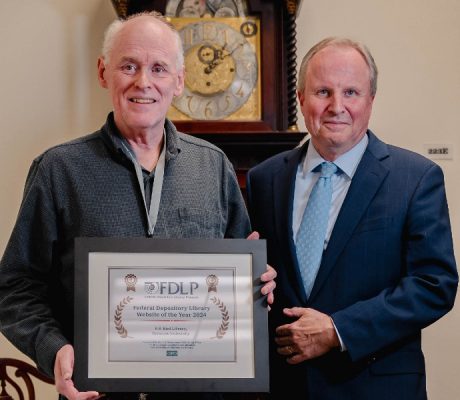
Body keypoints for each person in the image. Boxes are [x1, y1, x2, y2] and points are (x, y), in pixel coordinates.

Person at [0, 12, 276, 400]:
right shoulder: (58, 170)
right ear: (103, 72)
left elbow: (239, 280)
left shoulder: (213, 167)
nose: (143, 82)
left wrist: (256, 283)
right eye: (128, 65)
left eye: (159, 68)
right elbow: (14, 287)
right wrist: (54, 349)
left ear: (179, 81)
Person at [246, 37, 458, 399]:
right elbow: (258, 284)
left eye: (351, 92)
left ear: (371, 100)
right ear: (300, 98)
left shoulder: (416, 178)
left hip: (375, 386)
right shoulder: (263, 179)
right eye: (323, 91)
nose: (336, 106)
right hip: (284, 388)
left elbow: (434, 285)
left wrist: (337, 330)